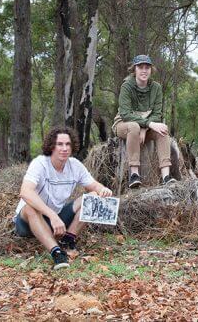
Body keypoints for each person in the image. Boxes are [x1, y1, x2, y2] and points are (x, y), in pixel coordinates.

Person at [13, 126, 113, 270]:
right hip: (28, 221)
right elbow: (25, 192)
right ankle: (57, 252)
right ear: (52, 146)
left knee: (93, 197)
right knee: (29, 207)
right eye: (60, 144)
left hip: (56, 219)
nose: (64, 148)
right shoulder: (40, 163)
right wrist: (52, 215)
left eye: (68, 144)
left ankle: (68, 241)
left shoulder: (75, 166)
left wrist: (102, 189)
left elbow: (94, 186)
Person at [113, 55, 174, 189]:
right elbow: (125, 114)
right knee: (134, 127)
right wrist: (148, 124)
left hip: (144, 128)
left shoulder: (156, 88)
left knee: (163, 129)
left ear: (151, 70)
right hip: (124, 124)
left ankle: (166, 176)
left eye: (147, 67)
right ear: (134, 69)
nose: (144, 70)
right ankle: (134, 175)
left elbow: (157, 114)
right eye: (140, 67)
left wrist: (145, 128)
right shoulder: (127, 86)